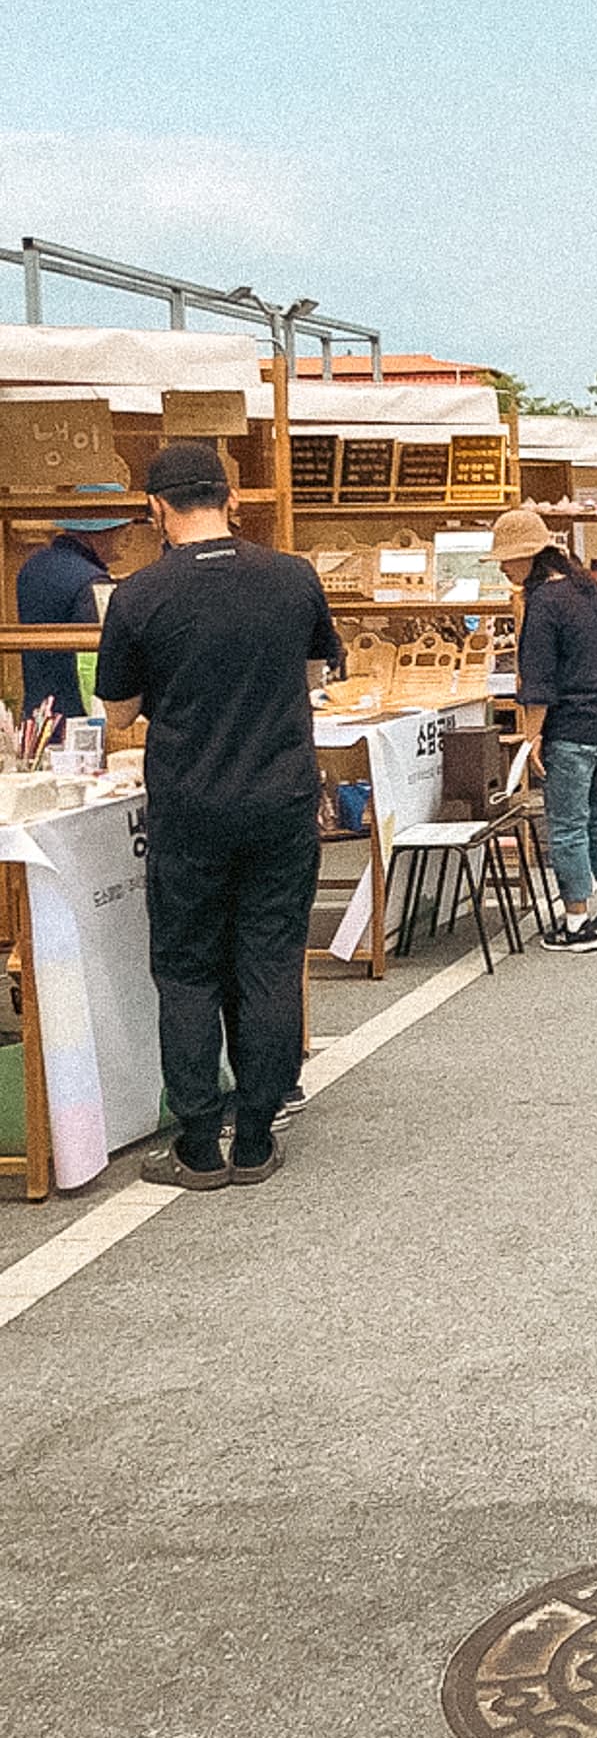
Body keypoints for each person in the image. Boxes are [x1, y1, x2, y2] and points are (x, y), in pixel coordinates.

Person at [96, 443, 342, 1190]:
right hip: (280, 800)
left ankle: (199, 1142)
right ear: (231, 500)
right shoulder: (293, 577)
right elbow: (313, 674)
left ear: (156, 509)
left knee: (188, 969)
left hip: (191, 805)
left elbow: (120, 713)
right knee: (269, 960)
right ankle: (258, 1135)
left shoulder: (138, 595)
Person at [490, 508, 597, 950]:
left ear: (529, 558)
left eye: (507, 559)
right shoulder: (582, 586)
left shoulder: (542, 603)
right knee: (590, 817)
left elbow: (537, 682)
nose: (503, 567)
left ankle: (576, 921)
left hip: (572, 727)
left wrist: (531, 735)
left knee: (565, 825)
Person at [17, 523, 114, 718]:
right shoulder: (91, 581)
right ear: (99, 532)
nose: (127, 539)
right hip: (75, 718)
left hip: (38, 716)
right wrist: (104, 717)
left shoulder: (32, 565)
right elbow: (89, 664)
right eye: (123, 530)